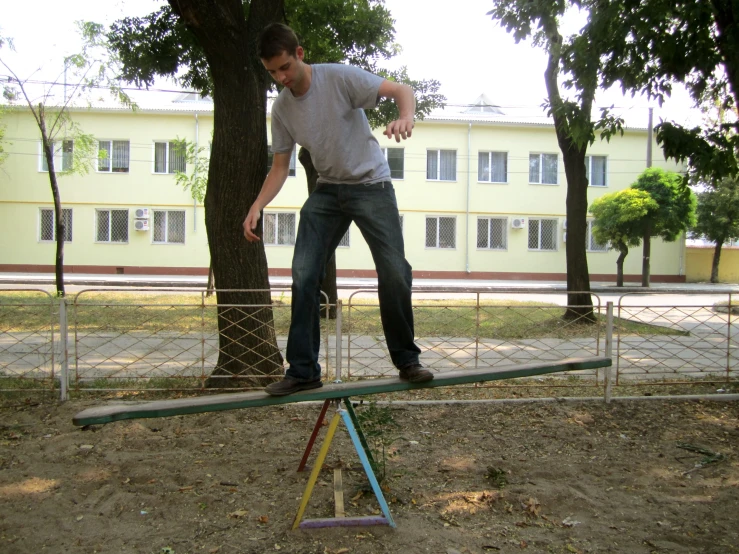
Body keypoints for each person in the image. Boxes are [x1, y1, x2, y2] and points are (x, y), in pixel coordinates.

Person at [244, 23, 433, 396]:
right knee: (304, 273)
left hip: (371, 186)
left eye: (284, 67)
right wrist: (257, 205)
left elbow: (400, 90)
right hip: (328, 191)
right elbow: (280, 167)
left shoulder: (338, 77)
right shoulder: (282, 110)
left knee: (395, 271)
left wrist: (406, 115)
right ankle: (302, 370)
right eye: (272, 73)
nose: (281, 78)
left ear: (299, 54)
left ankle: (407, 360)